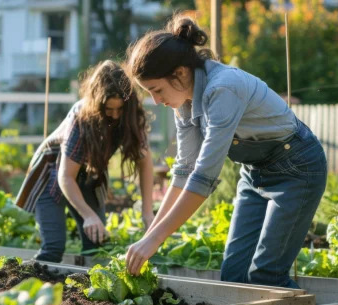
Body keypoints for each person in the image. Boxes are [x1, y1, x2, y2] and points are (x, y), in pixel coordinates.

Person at [124, 15, 327, 288]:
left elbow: (203, 178)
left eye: (156, 90)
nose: (156, 101)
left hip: (297, 169)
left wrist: (155, 239)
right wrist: (150, 235)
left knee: (267, 276)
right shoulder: (183, 102)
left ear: (181, 73)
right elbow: (184, 170)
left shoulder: (223, 88)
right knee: (233, 276)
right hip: (255, 173)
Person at [16, 60, 155, 263]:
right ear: (98, 104)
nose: (115, 116)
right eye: (109, 110)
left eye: (120, 109)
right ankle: (30, 287)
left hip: (89, 173)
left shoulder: (131, 115)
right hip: (51, 173)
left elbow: (145, 162)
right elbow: (66, 177)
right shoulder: (81, 117)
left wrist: (147, 212)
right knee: (53, 248)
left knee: (95, 245)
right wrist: (88, 215)